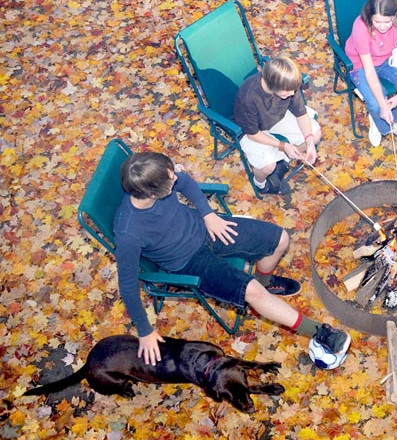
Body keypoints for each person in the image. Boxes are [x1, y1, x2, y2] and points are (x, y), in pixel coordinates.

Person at [113, 151, 350, 369]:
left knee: (280, 240)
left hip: (206, 228)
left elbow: (184, 181)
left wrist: (207, 214)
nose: (176, 176)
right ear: (152, 193)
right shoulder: (129, 232)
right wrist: (144, 331)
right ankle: (318, 332)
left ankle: (266, 285)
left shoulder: (157, 181)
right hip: (189, 262)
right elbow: (127, 284)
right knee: (254, 292)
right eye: (170, 178)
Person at [344, 0, 397, 147]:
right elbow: (369, 70)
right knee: (375, 103)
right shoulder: (360, 26)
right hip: (360, 63)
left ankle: (393, 121)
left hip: (387, 58)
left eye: (386, 22)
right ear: (369, 17)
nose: (382, 27)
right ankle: (383, 124)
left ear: (394, 17)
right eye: (377, 22)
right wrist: (382, 104)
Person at [233, 56, 321, 195]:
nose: (292, 94)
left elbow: (301, 114)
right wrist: (283, 145)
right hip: (252, 132)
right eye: (287, 92)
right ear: (272, 86)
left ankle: (283, 160)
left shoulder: (288, 84)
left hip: (276, 117)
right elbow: (253, 134)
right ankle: (261, 185)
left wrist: (310, 143)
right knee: (268, 166)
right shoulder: (249, 97)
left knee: (314, 134)